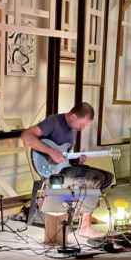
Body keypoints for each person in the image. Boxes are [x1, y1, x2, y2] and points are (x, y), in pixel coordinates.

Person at [20, 102, 114, 238]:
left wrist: (76, 160)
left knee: (108, 177)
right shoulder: (53, 122)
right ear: (73, 116)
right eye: (82, 125)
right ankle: (85, 227)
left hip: (66, 167)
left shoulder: (73, 129)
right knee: (95, 179)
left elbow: (64, 155)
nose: (82, 128)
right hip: (53, 171)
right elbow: (26, 136)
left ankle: (84, 211)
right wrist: (51, 152)